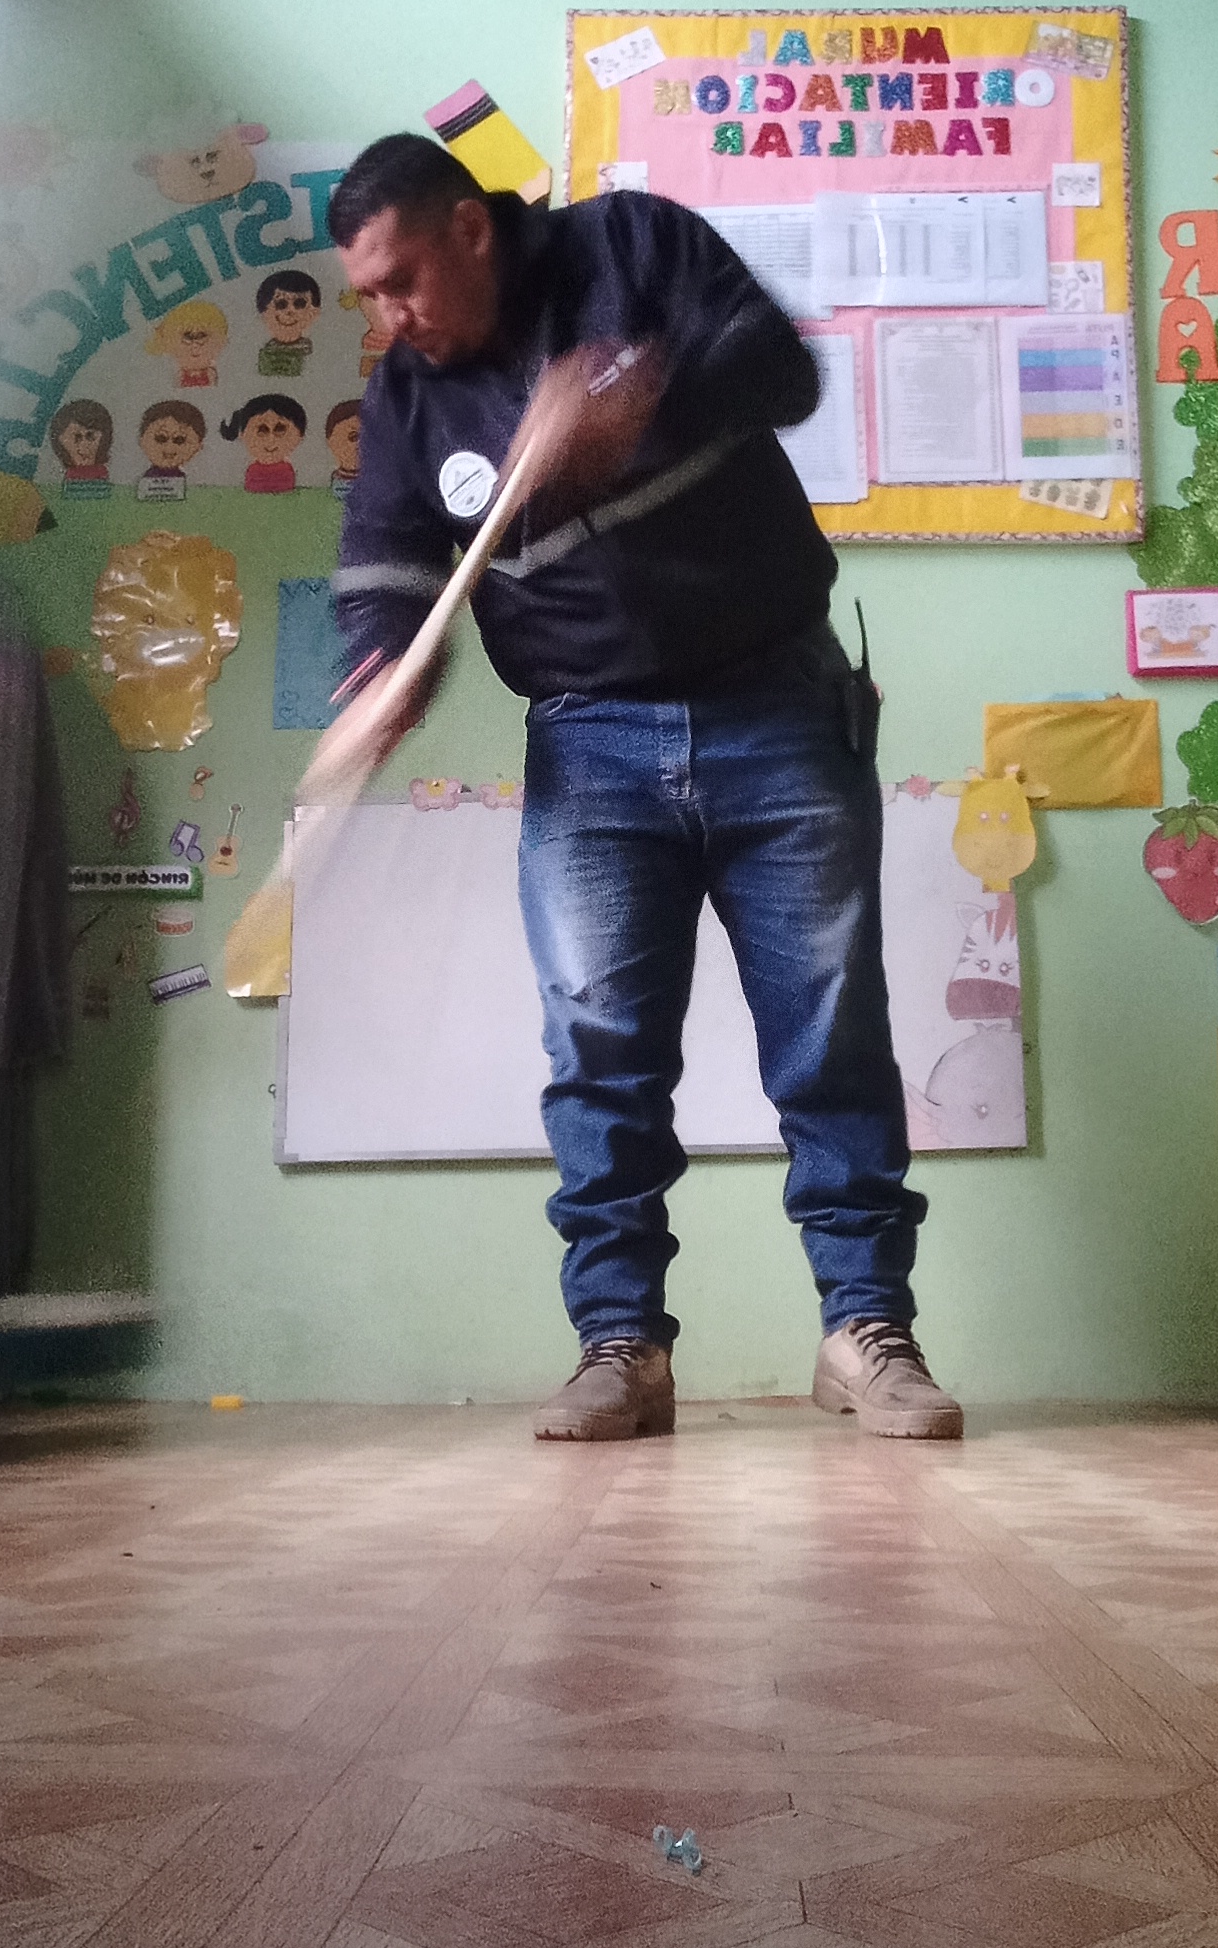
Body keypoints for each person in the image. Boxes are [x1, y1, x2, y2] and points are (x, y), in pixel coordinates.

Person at [325, 133, 960, 1443]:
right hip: (586, 744)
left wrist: (635, 395)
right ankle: (622, 1346)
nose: (391, 318)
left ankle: (867, 1331)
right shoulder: (407, 394)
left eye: (402, 281)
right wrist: (380, 666)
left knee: (830, 1037)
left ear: (470, 228)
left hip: (778, 702)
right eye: (369, 296)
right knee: (600, 1056)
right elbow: (387, 552)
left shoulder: (631, 244)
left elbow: (781, 369)